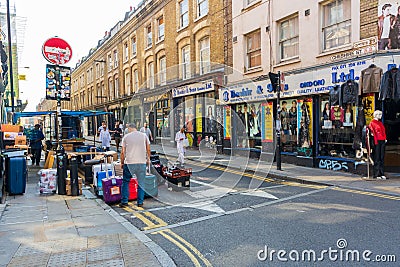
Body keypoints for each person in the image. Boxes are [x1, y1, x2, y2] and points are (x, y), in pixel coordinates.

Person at [119, 123, 151, 208]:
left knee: (125, 182)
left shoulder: (126, 137)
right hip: (141, 163)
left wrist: (122, 162)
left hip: (129, 163)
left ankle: (124, 201)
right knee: (141, 183)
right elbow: (148, 149)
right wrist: (148, 159)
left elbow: (122, 152)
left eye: (128, 128)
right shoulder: (144, 136)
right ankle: (140, 202)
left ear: (130, 128)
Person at [369, 110, 387, 179]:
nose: (381, 116)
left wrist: (385, 138)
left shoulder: (380, 123)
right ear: (376, 115)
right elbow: (373, 133)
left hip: (382, 141)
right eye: (379, 114)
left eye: (381, 114)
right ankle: (376, 174)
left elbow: (383, 131)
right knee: (377, 157)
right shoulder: (372, 123)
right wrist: (375, 142)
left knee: (382, 157)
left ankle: (382, 173)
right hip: (377, 141)